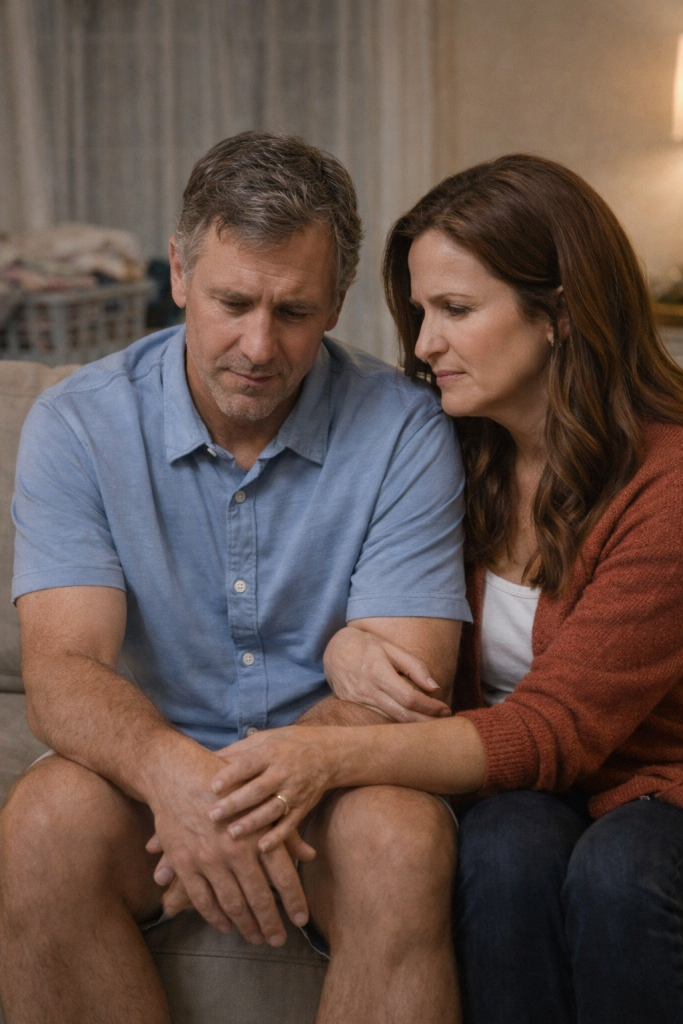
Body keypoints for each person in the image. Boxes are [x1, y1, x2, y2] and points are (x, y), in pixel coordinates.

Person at [0, 132, 472, 1024]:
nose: (258, 345)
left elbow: (407, 686)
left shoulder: (405, 430)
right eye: (232, 302)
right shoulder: (79, 424)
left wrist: (246, 802)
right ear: (180, 273)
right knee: (42, 823)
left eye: (293, 310)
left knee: (400, 842)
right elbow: (62, 672)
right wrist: (174, 780)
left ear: (336, 301)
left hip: (331, 779)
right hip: (146, 778)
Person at [201, 154, 683, 1024]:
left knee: (621, 870)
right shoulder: (452, 447)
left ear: (560, 314)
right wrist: (344, 641)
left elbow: (553, 730)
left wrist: (321, 755)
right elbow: (360, 596)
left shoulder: (667, 482)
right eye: (420, 311)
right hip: (528, 790)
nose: (423, 345)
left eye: (455, 311)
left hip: (660, 784)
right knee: (500, 848)